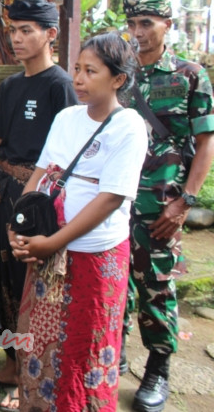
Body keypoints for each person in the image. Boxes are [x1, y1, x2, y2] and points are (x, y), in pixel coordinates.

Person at [12, 32, 148, 411]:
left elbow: (109, 199)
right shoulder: (67, 117)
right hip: (46, 253)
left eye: (91, 71)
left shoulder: (129, 127)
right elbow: (41, 173)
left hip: (94, 257)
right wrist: (18, 223)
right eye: (76, 69)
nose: (79, 79)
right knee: (40, 343)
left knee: (84, 349)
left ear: (118, 79)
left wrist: (54, 243)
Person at [0, 0, 78, 411]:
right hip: (1, 195)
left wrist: (43, 206)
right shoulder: (11, 85)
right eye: (13, 30)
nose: (15, 38)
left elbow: (66, 154)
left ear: (50, 34)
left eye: (26, 30)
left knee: (31, 288)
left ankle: (33, 379)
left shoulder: (60, 86)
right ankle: (12, 365)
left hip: (37, 202)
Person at [121, 0, 214, 412]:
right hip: (114, 199)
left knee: (155, 285)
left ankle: (158, 368)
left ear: (167, 25)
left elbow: (205, 142)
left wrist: (185, 203)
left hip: (160, 202)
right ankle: (112, 354)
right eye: (133, 24)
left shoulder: (189, 75)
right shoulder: (119, 72)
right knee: (113, 282)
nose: (138, 32)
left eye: (146, 23)